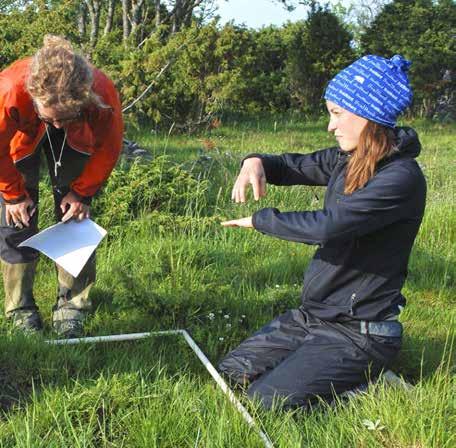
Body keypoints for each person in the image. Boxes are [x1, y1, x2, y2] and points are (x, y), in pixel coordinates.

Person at [219, 54, 426, 410]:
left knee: (266, 403)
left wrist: (260, 220)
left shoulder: (400, 178)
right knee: (229, 374)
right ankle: (332, 372)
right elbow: (292, 165)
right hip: (312, 317)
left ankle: (373, 387)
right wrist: (254, 160)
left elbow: (329, 225)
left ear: (369, 115)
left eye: (337, 113)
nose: (331, 126)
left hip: (360, 333)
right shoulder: (349, 158)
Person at [0, 35, 123, 337]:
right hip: (19, 139)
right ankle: (20, 310)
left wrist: (82, 192)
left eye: (64, 118)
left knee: (75, 218)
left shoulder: (101, 93)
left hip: (79, 137)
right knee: (16, 219)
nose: (56, 125)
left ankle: (72, 306)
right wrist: (14, 194)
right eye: (50, 118)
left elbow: (108, 147)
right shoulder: (8, 90)